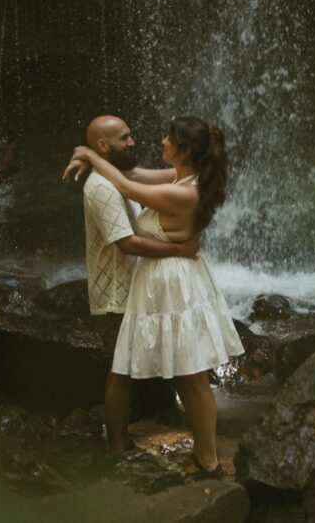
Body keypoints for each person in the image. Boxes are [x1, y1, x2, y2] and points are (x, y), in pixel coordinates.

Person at [69, 116, 244, 478]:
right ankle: (204, 456)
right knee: (186, 376)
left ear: (184, 150)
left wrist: (87, 152)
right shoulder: (179, 177)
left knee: (193, 377)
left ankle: (208, 460)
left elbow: (124, 184)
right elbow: (131, 175)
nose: (160, 141)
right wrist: (90, 157)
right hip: (169, 282)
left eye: (169, 138)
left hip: (175, 284)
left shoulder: (182, 191)